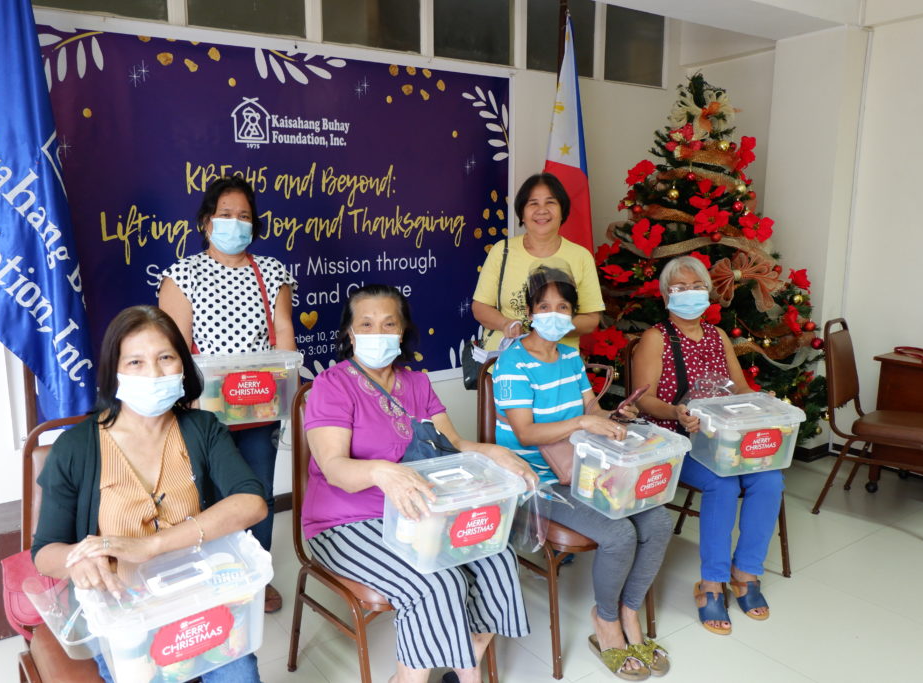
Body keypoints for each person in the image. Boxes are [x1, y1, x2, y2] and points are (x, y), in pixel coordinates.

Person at [303, 284, 536, 683]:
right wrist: (380, 471)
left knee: (499, 560)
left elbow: (455, 446)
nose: (378, 333)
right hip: (347, 522)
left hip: (423, 512)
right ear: (350, 333)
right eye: (366, 324)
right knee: (436, 582)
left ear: (402, 331)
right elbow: (335, 466)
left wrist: (494, 454)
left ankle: (466, 672)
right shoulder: (332, 386)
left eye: (388, 324)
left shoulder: (418, 384)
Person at [32, 305, 268, 683]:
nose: (154, 373)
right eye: (136, 362)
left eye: (165, 358)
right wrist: (77, 559)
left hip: (199, 592)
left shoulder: (202, 428)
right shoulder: (76, 449)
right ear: (114, 373)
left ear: (183, 365)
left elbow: (252, 502)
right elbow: (45, 553)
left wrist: (152, 545)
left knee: (240, 676)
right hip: (123, 608)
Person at [493, 266, 672, 681]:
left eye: (563, 307)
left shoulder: (570, 356)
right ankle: (605, 621)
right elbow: (524, 431)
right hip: (537, 481)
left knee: (659, 522)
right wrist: (581, 425)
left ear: (573, 315)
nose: (554, 314)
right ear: (531, 311)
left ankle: (630, 614)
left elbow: (590, 411)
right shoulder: (513, 362)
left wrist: (613, 415)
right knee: (618, 533)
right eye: (545, 306)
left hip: (584, 468)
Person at [158, 176, 295, 612]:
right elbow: (173, 347)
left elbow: (285, 336)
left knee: (256, 493)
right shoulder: (182, 274)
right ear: (206, 222)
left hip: (259, 404)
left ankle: (258, 576)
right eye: (225, 215)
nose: (235, 223)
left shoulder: (272, 272)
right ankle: (212, 578)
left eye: (244, 217)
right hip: (203, 408)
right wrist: (190, 401)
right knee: (207, 494)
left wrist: (289, 383)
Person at [632, 255, 783, 636]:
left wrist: (771, 406)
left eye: (696, 286)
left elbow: (742, 390)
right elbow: (642, 401)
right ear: (667, 296)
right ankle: (711, 583)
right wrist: (676, 411)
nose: (689, 294)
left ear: (708, 292)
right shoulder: (656, 338)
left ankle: (745, 572)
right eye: (679, 288)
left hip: (720, 440)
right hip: (676, 440)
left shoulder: (717, 337)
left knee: (770, 480)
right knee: (723, 483)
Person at [472, 172, 604, 351]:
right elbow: (479, 307)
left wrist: (557, 326)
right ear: (522, 213)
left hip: (561, 363)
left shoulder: (581, 256)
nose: (542, 210)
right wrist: (506, 324)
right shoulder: (502, 251)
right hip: (506, 361)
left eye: (550, 202)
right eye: (533, 203)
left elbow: (591, 318)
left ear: (562, 210)